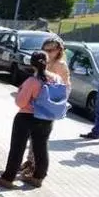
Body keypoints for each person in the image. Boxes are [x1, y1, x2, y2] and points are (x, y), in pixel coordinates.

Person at [0, 52, 61, 189]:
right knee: (41, 148)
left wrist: (19, 93)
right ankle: (38, 178)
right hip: (47, 118)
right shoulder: (56, 79)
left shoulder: (32, 81)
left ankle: (8, 178)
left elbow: (21, 102)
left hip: (27, 117)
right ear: (47, 62)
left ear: (31, 64)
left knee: (17, 148)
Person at [21, 37, 70, 176]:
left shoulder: (60, 65)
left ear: (59, 50)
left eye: (51, 50)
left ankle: (35, 167)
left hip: (48, 107)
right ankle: (30, 161)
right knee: (33, 137)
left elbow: (64, 87)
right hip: (37, 105)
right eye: (45, 49)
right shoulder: (44, 61)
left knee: (40, 139)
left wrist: (58, 105)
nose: (47, 52)